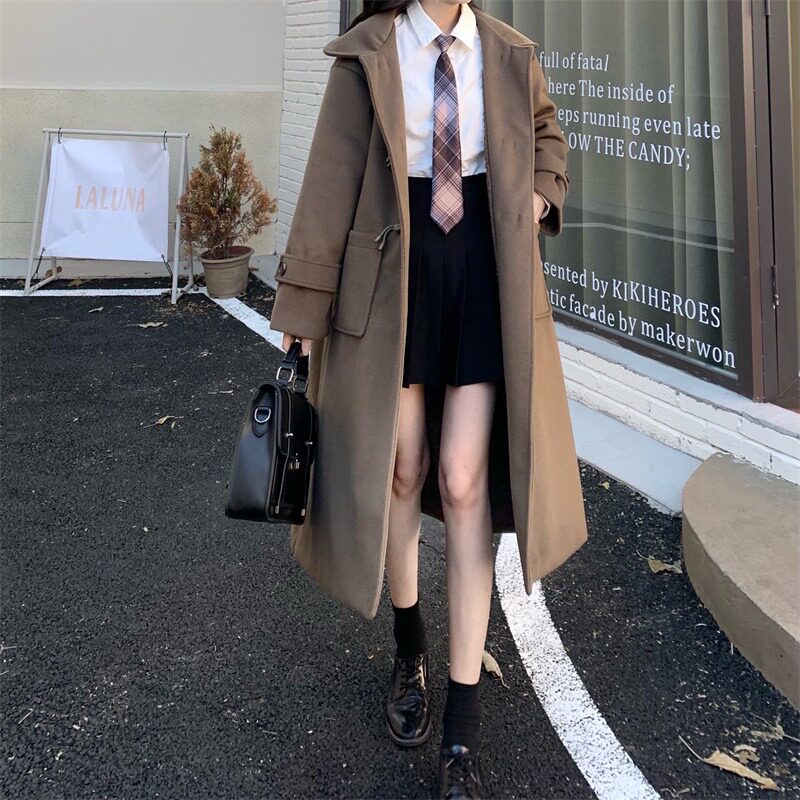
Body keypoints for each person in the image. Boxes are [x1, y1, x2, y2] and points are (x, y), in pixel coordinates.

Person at [276, 1, 570, 797]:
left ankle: (462, 726)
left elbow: (547, 136)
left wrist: (538, 197)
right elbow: (330, 181)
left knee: (464, 479)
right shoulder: (367, 52)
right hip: (389, 275)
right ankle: (410, 649)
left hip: (484, 269)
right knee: (402, 467)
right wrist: (304, 306)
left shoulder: (509, 52)